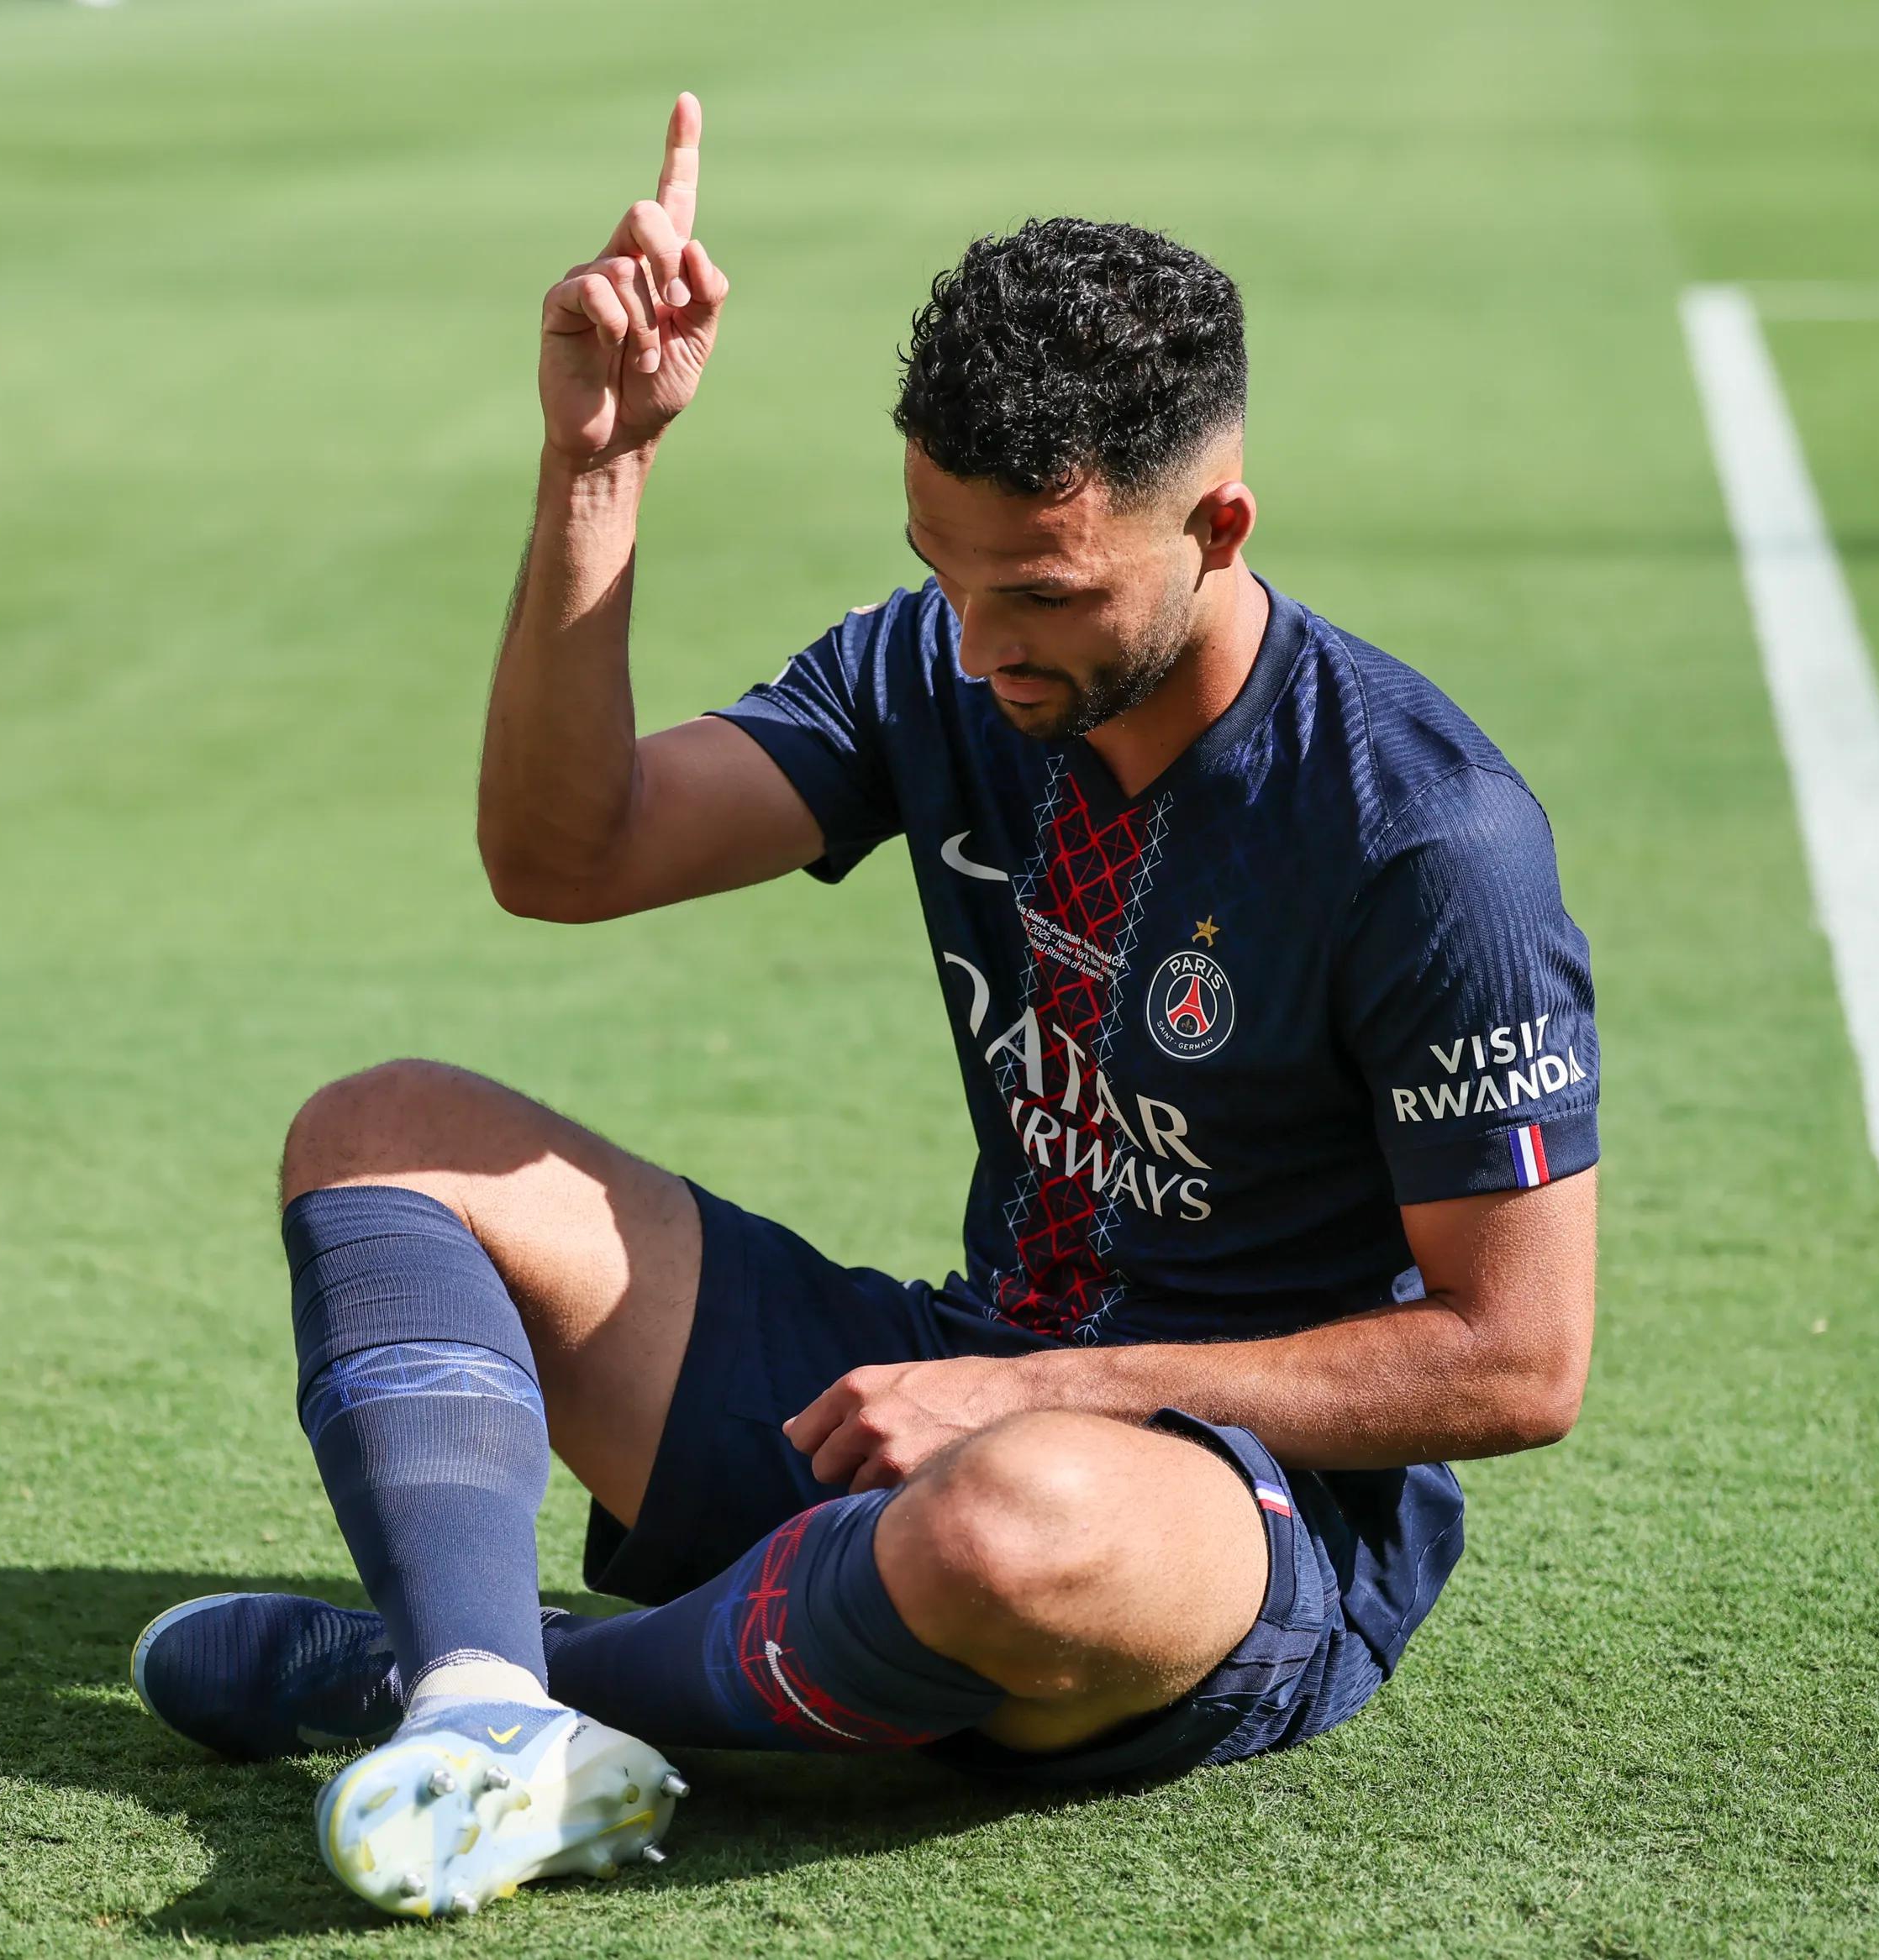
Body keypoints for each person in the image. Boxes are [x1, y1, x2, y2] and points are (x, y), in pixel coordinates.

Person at [130, 93, 1601, 1921]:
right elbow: (567, 855)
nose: (980, 646)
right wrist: (599, 464)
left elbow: (1515, 1359)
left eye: (1040, 592)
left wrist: (1039, 1396)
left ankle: (452, 1680)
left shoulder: (1423, 833)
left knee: (1016, 1520)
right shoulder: (941, 662)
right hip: (948, 1375)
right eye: (941, 573)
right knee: (382, 1133)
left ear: (1219, 525)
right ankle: (492, 1704)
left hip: (1229, 1507)